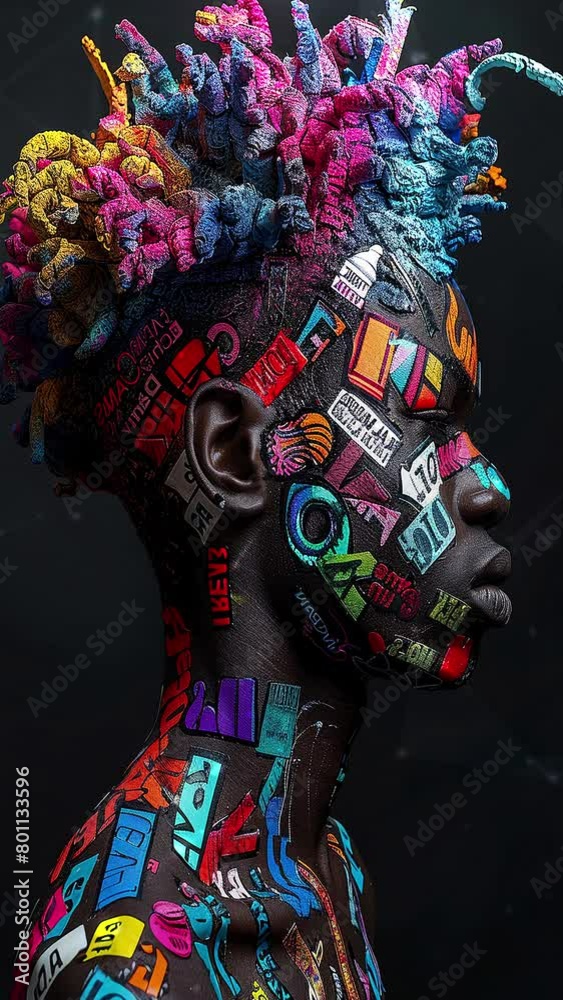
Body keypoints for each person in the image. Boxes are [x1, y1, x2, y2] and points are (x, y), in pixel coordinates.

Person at [2, 1, 562, 997]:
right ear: (232, 449)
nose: (485, 484)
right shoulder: (132, 960)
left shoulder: (321, 872)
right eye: (426, 422)